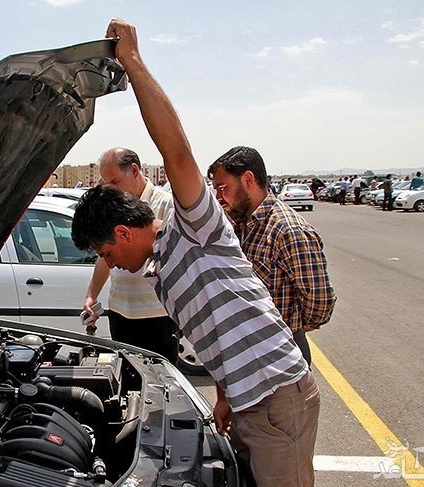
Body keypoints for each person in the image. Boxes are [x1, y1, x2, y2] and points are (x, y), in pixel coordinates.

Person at [72, 20, 319, 486]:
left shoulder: (195, 226)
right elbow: (221, 333)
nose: (110, 263)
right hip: (249, 400)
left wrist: (132, 61)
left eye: (106, 251)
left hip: (277, 398)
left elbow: (177, 152)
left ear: (124, 233)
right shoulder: (160, 270)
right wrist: (224, 395)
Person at [207, 147, 335, 366]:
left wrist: (290, 327)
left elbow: (319, 302)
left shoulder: (288, 230)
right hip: (247, 347)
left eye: (222, 188)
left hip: (281, 352)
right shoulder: (240, 224)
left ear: (248, 179)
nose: (218, 197)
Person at [82, 147, 178, 362]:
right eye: (106, 184)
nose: (111, 189)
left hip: (157, 315)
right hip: (120, 311)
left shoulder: (166, 204)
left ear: (134, 170)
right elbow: (104, 255)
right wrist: (92, 295)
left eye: (114, 182)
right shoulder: (112, 209)